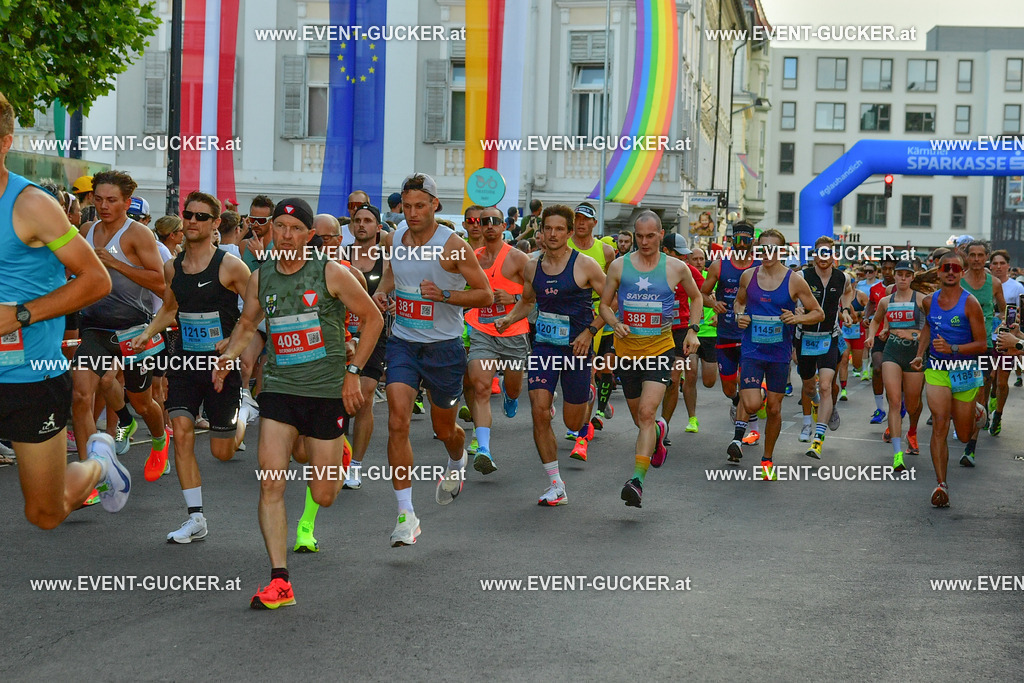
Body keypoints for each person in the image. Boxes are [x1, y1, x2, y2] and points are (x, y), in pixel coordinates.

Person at [214, 197, 383, 608]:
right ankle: (279, 579)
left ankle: (335, 454)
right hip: (279, 388)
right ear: (270, 229)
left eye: (295, 229)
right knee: (271, 482)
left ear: (309, 236)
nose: (286, 235)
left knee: (323, 494)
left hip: (326, 392)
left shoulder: (331, 273)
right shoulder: (261, 277)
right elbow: (248, 322)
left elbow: (374, 318)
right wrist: (228, 357)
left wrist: (353, 372)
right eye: (280, 227)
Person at [0, 91, 130, 527]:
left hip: (28, 376)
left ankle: (99, 460)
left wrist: (20, 314)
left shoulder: (31, 205)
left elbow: (96, 280)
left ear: (5, 143)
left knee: (46, 512)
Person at [371, 173, 492, 547]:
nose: (412, 213)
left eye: (419, 206)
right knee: (396, 422)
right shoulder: (395, 240)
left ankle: (457, 461)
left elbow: (485, 295)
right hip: (403, 343)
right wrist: (380, 292)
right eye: (406, 207)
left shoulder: (453, 247)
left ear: (435, 205)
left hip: (444, 348)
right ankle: (406, 514)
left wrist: (443, 296)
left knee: (445, 431)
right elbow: (393, 273)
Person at [131, 191, 252, 542]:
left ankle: (244, 411)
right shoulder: (173, 266)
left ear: (216, 224)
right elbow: (170, 307)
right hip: (184, 361)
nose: (193, 221)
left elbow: (255, 308)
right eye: (189, 215)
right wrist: (148, 333)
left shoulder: (230, 266)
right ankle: (195, 518)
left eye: (202, 217)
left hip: (219, 367)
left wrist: (235, 341)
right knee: (181, 432)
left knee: (222, 451)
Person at [495, 204, 605, 505]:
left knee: (572, 424)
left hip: (577, 348)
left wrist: (590, 331)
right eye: (548, 228)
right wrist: (510, 318)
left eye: (560, 229)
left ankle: (587, 395)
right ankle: (556, 483)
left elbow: (612, 303)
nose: (553, 234)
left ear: (569, 232)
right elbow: (528, 301)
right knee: (539, 411)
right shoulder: (532, 266)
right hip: (544, 346)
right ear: (540, 231)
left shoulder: (585, 266)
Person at [71, 170, 170, 483]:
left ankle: (159, 440)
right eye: (98, 199)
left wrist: (115, 264)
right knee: (80, 395)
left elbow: (160, 282)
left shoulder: (138, 235)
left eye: (111, 200)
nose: (103, 205)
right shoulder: (86, 229)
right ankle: (91, 472)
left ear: (127, 202)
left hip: (134, 330)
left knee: (142, 402)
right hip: (95, 327)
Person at [600, 212, 702, 507]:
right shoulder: (619, 266)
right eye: (639, 236)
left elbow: (697, 298)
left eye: (650, 236)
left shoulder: (676, 267)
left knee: (646, 413)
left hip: (660, 350)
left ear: (660, 235)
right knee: (640, 419)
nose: (644, 242)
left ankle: (637, 480)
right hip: (626, 351)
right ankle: (659, 430)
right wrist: (615, 322)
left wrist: (693, 331)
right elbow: (606, 305)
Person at [733, 229, 823, 477]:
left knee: (773, 409)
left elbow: (818, 313)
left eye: (773, 249)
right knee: (751, 403)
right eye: (763, 248)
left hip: (779, 355)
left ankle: (767, 459)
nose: (767, 253)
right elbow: (739, 302)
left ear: (781, 252)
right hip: (752, 349)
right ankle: (757, 390)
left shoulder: (794, 280)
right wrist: (739, 315)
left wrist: (797, 317)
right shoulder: (748, 276)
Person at [911, 252, 988, 506]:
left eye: (957, 268)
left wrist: (953, 349)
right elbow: (928, 327)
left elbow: (982, 344)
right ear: (939, 270)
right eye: (947, 267)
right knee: (941, 423)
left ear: (962, 272)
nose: (952, 272)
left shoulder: (970, 304)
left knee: (964, 436)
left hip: (965, 369)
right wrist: (920, 354)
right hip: (937, 369)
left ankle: (976, 413)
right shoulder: (929, 301)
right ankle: (941, 484)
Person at [464, 206, 531, 472]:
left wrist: (513, 298)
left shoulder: (518, 258)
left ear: (505, 227)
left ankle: (510, 395)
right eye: (483, 222)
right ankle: (484, 449)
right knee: (480, 387)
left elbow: (534, 296)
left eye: (495, 221)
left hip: (513, 332)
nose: (488, 226)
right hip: (481, 329)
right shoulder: (472, 258)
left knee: (513, 387)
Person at [701, 221, 761, 452]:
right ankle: (741, 402)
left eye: (747, 239)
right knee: (729, 388)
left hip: (750, 336)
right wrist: (713, 303)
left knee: (747, 384)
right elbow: (703, 293)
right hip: (725, 334)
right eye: (739, 239)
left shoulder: (759, 266)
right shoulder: (719, 266)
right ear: (732, 240)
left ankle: (738, 438)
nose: (743, 244)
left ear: (752, 241)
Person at [342, 203, 389, 489]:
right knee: (339, 400)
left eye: (368, 220)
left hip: (374, 333)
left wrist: (390, 299)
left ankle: (356, 465)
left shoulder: (388, 259)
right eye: (357, 220)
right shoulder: (338, 257)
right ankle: (338, 456)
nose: (361, 225)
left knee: (365, 396)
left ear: (378, 227)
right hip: (341, 335)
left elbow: (399, 288)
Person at [793, 237, 853, 459]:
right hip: (805, 337)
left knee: (826, 386)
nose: (824, 257)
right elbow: (789, 296)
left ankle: (818, 440)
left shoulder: (842, 277)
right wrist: (796, 311)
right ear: (814, 255)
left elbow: (848, 291)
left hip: (829, 337)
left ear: (833, 255)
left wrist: (845, 309)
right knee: (810, 389)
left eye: (828, 253)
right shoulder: (802, 277)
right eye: (820, 253)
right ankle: (818, 406)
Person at [866, 260, 926, 471]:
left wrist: (913, 334)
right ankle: (897, 454)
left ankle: (912, 431)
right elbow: (875, 320)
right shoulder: (885, 300)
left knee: (912, 404)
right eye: (899, 274)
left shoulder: (921, 300)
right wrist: (873, 335)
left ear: (912, 277)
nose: (902, 278)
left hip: (914, 356)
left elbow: (931, 329)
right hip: (892, 353)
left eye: (906, 274)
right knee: (894, 401)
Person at [569, 202, 617, 430]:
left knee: (599, 368)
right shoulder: (563, 244)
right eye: (577, 218)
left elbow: (613, 285)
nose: (580, 222)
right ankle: (579, 417)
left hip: (600, 315)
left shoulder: (606, 251)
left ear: (594, 223)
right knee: (577, 370)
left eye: (585, 219)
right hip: (569, 314)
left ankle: (588, 421)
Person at [959, 240, 1004, 460]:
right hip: (958, 344)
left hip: (985, 345)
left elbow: (1004, 311)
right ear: (966, 257)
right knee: (958, 392)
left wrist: (1002, 325)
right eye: (972, 255)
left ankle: (971, 447)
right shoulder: (957, 281)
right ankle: (962, 423)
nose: (976, 259)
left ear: (986, 257)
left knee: (980, 391)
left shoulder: (994, 283)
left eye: (980, 255)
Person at [660, 233, 704, 437]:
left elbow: (703, 294)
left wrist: (719, 310)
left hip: (680, 331)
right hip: (654, 332)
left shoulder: (688, 270)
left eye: (685, 255)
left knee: (674, 378)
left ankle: (663, 428)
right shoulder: (651, 269)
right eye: (679, 255)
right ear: (665, 252)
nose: (683, 259)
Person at [987, 250, 1024, 435]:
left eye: (1002, 263)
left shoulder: (1017, 288)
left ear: (1008, 266)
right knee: (988, 378)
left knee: (1002, 382)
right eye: (995, 263)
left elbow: (1021, 313)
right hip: (987, 338)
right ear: (990, 266)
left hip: (1007, 339)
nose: (999, 267)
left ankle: (998, 416)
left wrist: (1017, 333)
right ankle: (985, 410)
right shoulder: (985, 285)